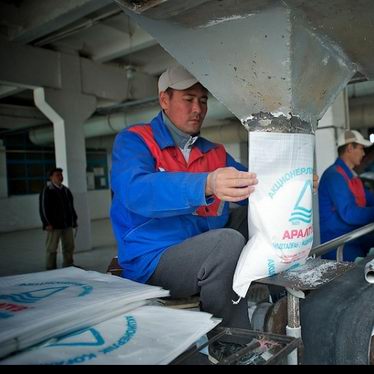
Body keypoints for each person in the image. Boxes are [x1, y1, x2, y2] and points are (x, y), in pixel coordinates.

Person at [110, 65, 259, 355]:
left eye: (203, 100)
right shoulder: (135, 141)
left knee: (252, 216)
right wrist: (206, 183)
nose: (198, 108)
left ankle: (276, 297)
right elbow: (136, 190)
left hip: (200, 248)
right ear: (164, 100)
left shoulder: (213, 151)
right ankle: (230, 346)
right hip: (156, 258)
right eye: (188, 99)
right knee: (227, 242)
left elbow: (249, 185)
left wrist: (289, 185)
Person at [318, 130, 374, 261]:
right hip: (338, 243)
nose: (364, 153)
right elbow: (350, 214)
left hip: (354, 235)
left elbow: (370, 199)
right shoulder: (334, 176)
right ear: (349, 148)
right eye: (361, 148)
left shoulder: (351, 176)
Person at [39, 167, 78, 270]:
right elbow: (43, 208)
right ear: (51, 177)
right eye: (57, 175)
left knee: (69, 246)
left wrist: (74, 220)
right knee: (51, 248)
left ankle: (68, 265)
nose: (60, 177)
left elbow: (71, 207)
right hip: (53, 226)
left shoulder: (66, 190)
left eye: (61, 175)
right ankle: (50, 267)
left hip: (67, 224)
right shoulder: (47, 190)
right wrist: (47, 223)